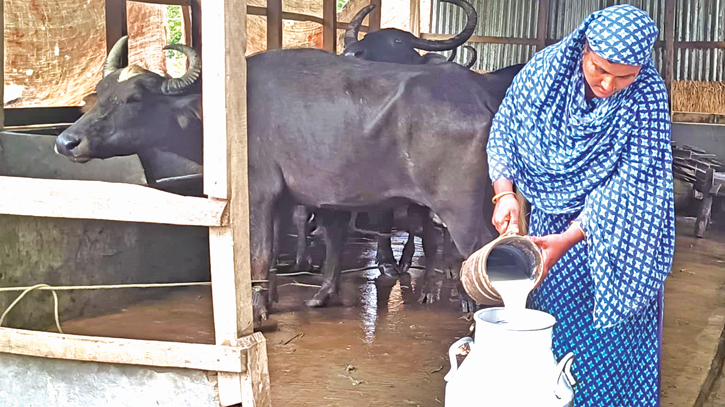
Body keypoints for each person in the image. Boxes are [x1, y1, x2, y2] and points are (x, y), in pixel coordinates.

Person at [486, 4, 674, 406]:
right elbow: (505, 127)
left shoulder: (648, 95)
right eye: (600, 69)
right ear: (583, 49)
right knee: (552, 336)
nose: (608, 83)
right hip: (548, 232)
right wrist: (505, 195)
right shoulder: (544, 72)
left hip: (623, 235)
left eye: (625, 76)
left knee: (612, 342)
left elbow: (635, 183)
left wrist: (570, 238)